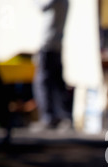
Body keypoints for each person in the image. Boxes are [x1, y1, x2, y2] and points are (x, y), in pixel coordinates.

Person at [31, 0, 71, 131]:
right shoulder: (66, 2)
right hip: (57, 44)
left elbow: (41, 6)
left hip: (48, 45)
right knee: (57, 82)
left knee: (43, 82)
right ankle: (63, 117)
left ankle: (48, 118)